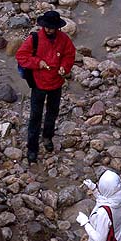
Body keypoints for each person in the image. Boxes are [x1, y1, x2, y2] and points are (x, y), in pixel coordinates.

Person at [15, 10, 76, 164]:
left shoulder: (64, 40)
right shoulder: (34, 38)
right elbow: (21, 56)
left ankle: (48, 137)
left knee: (52, 113)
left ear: (57, 27)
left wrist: (64, 67)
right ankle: (32, 148)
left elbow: (69, 55)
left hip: (56, 83)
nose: (48, 30)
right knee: (35, 116)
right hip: (38, 84)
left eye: (51, 27)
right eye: (46, 27)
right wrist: (38, 63)